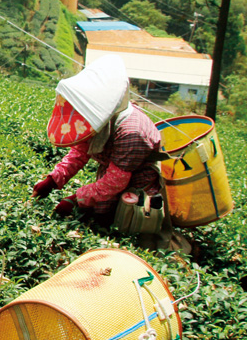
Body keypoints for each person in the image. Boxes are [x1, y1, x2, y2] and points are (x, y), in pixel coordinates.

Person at [31, 56, 163, 228]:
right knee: (98, 212)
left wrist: (75, 199)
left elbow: (114, 182)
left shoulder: (132, 133)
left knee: (118, 223)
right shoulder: (96, 120)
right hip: (114, 177)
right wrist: (52, 180)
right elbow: (79, 153)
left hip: (136, 189)